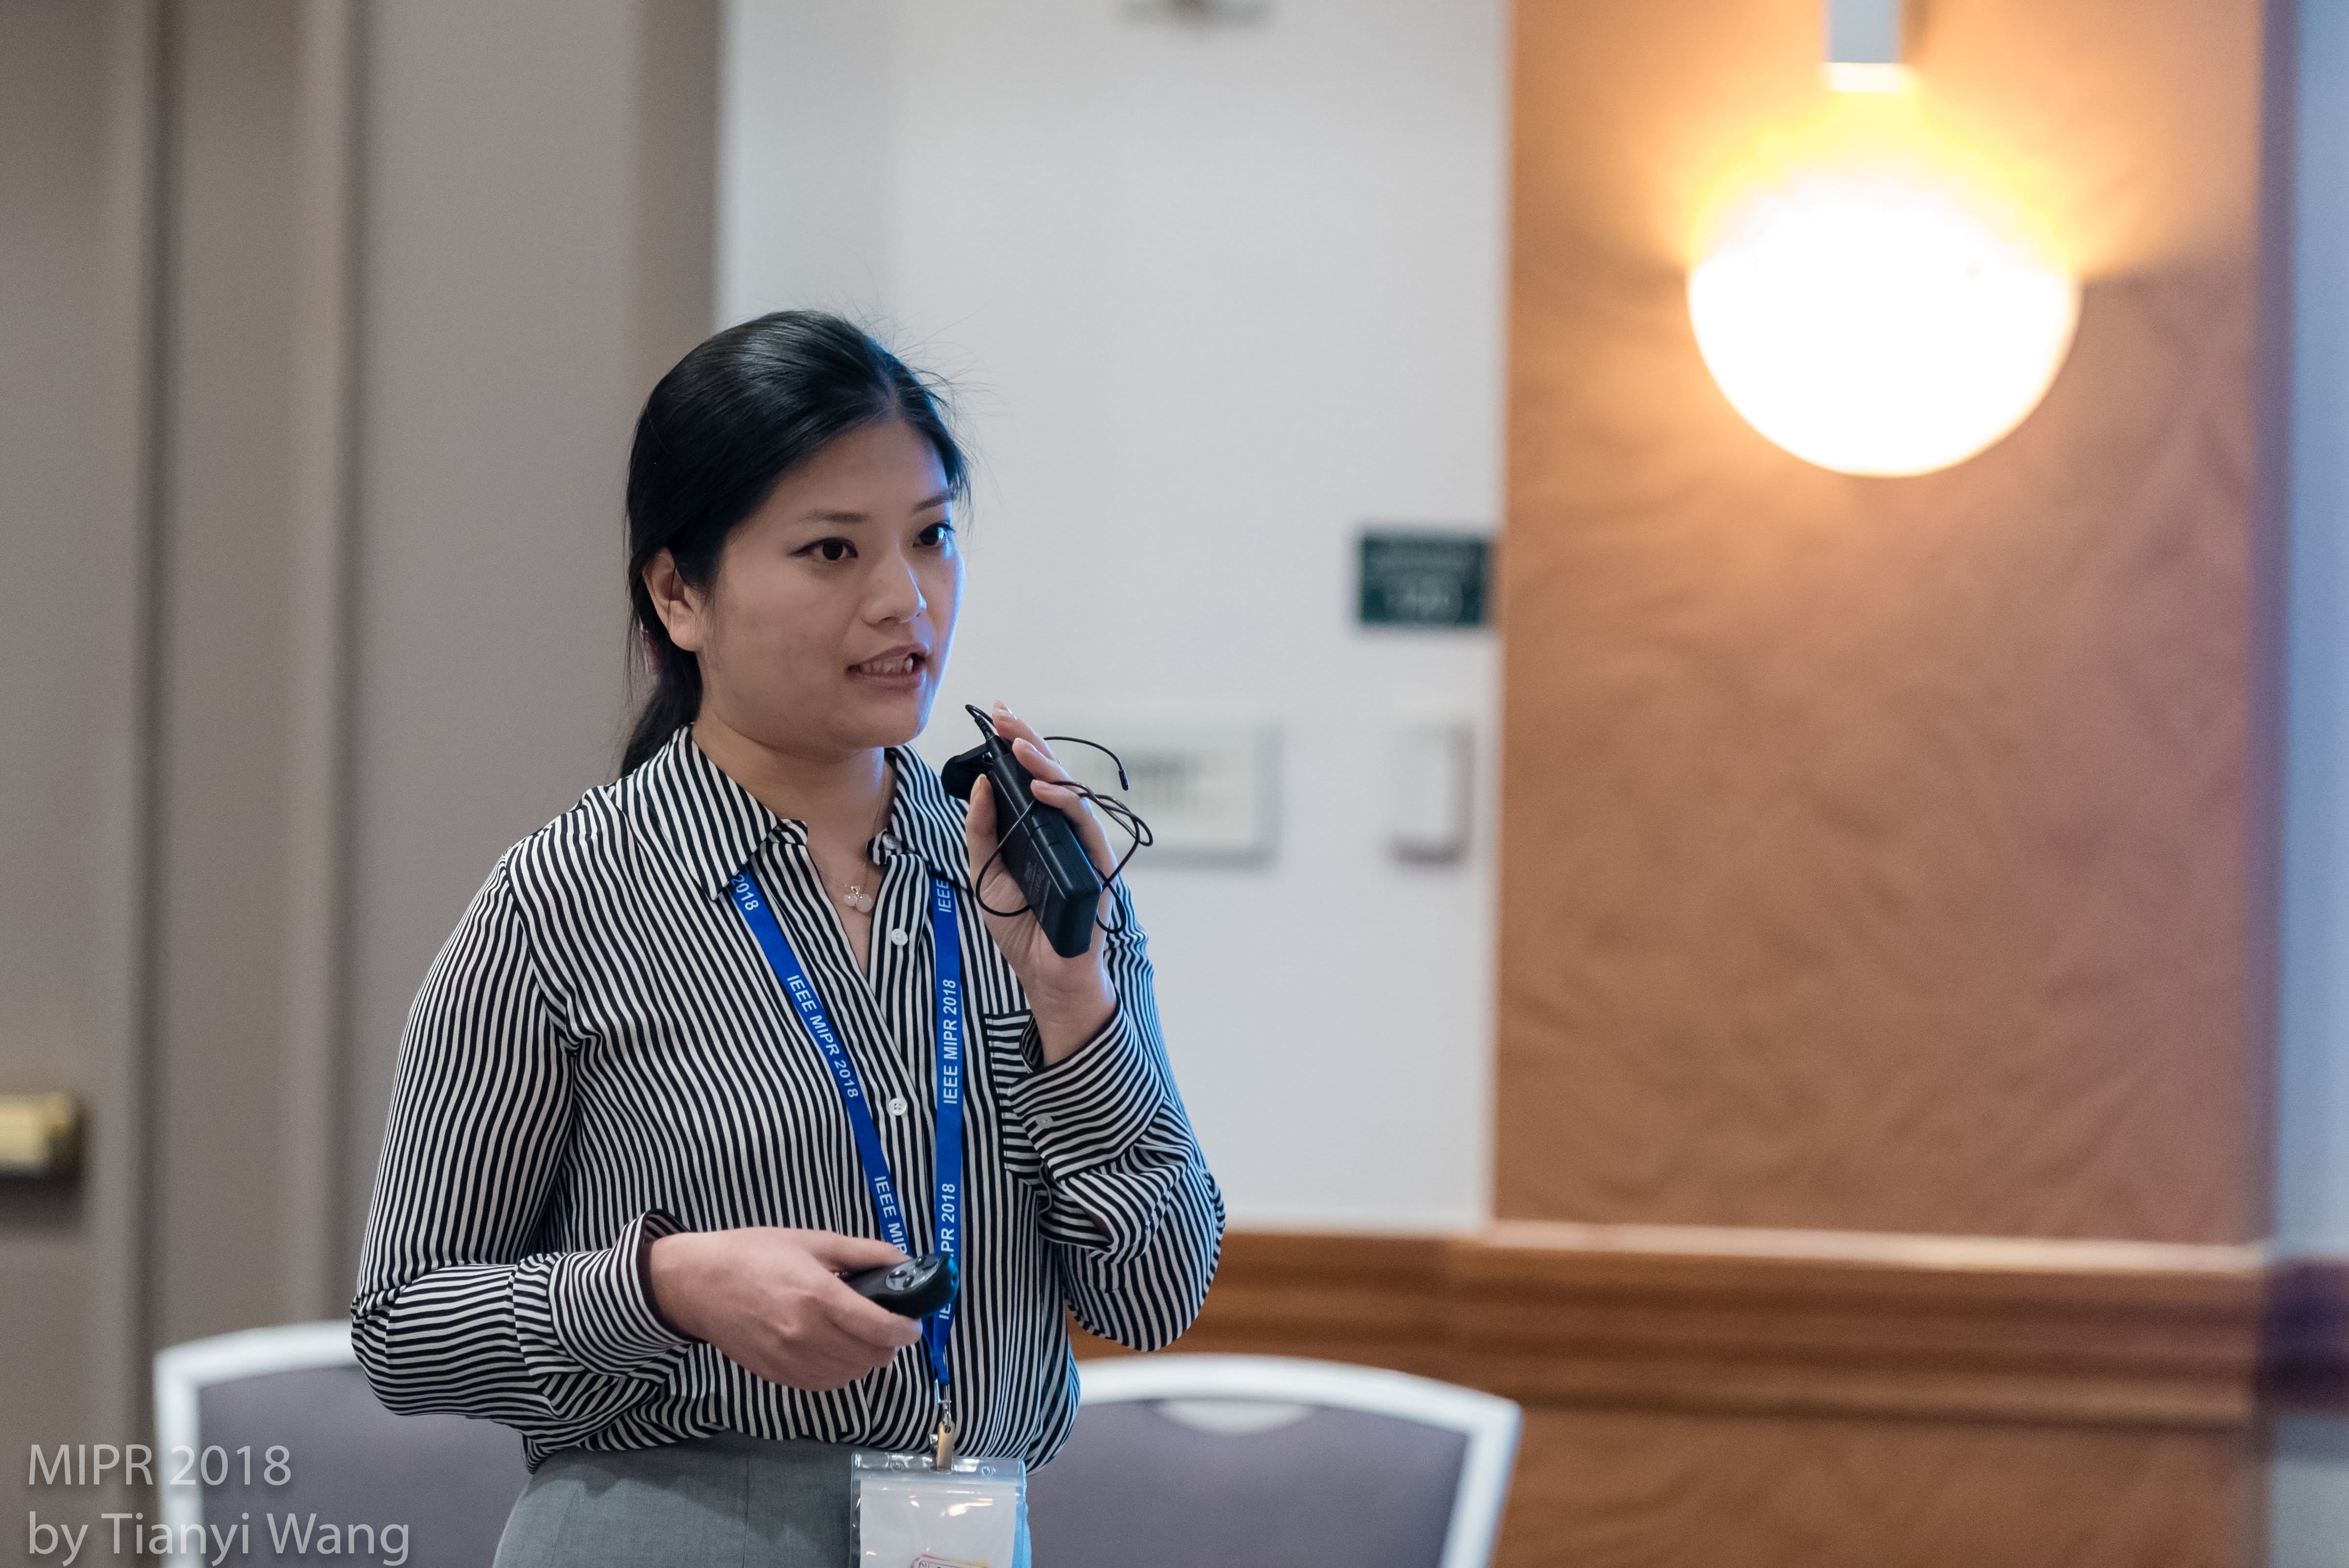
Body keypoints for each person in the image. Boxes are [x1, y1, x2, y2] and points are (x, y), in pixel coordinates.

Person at [351, 311, 1226, 1566]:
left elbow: (1151, 1297)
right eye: (831, 550)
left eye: (931, 537)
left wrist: (1075, 1003)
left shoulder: (1030, 882)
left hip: (968, 1527)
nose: (903, 598)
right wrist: (666, 1288)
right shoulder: (565, 899)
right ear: (679, 594)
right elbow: (404, 1326)